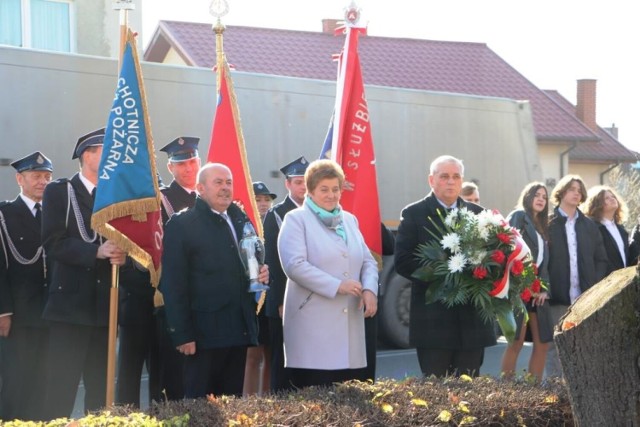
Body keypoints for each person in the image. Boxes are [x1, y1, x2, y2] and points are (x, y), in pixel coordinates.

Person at [159, 163, 269, 398]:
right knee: (199, 408)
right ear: (200, 188)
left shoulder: (239, 218)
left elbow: (250, 260)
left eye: (229, 182)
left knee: (230, 406)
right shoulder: (182, 224)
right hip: (202, 336)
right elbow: (173, 284)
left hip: (237, 330)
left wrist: (261, 272)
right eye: (218, 182)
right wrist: (183, 334)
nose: (225, 188)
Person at [40, 128, 127, 419]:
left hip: (106, 307)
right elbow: (53, 242)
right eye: (105, 150)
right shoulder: (60, 190)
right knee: (60, 389)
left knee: (101, 391)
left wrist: (123, 253)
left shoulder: (114, 195)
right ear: (87, 154)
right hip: (69, 309)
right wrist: (95, 252)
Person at [277, 159, 378, 388]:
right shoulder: (296, 220)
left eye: (336, 189)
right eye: (324, 189)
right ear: (310, 191)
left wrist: (370, 289)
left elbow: (368, 261)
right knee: (317, 402)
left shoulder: (350, 220)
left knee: (347, 404)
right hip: (313, 328)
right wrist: (337, 285)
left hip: (348, 325)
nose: (331, 195)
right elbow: (295, 265)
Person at [395, 155, 496, 377]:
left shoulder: (479, 215)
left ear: (461, 181)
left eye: (456, 176)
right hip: (434, 322)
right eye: (444, 177)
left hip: (471, 323)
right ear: (432, 180)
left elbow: (494, 258)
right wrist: (444, 275)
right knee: (437, 391)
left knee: (469, 393)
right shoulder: (414, 214)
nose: (451, 182)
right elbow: (403, 261)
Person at [0, 152, 53, 421]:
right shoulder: (4, 214)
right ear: (20, 179)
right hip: (19, 313)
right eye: (36, 176)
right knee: (15, 381)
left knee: (46, 383)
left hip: (52, 311)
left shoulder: (57, 213)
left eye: (47, 177)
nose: (42, 182)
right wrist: (3, 310)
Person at [150, 136, 201, 401]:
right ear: (170, 168)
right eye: (181, 164)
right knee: (175, 376)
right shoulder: (162, 200)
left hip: (205, 296)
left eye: (192, 161)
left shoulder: (209, 197)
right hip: (176, 295)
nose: (188, 168)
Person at [544, 175, 608, 378]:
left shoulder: (589, 226)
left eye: (579, 190)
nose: (576, 193)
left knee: (583, 346)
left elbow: (601, 259)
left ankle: (580, 392)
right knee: (556, 345)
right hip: (557, 297)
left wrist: (594, 286)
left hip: (584, 298)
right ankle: (555, 392)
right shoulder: (548, 223)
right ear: (561, 192)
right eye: (571, 189)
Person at [264, 156, 309, 392]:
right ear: (288, 185)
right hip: (285, 298)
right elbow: (272, 260)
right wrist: (281, 299)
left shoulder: (317, 212)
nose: (303, 187)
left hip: (313, 298)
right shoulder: (277, 214)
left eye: (306, 182)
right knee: (283, 362)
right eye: (298, 182)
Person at [500, 182, 551, 382]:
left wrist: (544, 289)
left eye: (544, 197)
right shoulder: (519, 216)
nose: (541, 199)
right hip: (519, 289)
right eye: (537, 195)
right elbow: (509, 250)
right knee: (516, 342)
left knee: (543, 343)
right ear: (528, 197)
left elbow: (545, 264)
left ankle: (533, 391)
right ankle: (507, 390)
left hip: (538, 292)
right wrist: (525, 283)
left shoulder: (542, 226)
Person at [242, 181, 277, 396]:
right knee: (252, 356)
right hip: (252, 300)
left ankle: (266, 406)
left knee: (271, 355)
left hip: (270, 299)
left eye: (267, 200)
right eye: (258, 199)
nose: (263, 204)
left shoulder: (274, 223)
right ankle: (249, 404)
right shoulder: (244, 226)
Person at [583, 185, 630, 275]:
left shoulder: (621, 229)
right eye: (607, 198)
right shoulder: (592, 227)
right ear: (597, 203)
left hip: (622, 281)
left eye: (613, 196)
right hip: (603, 283)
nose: (612, 199)